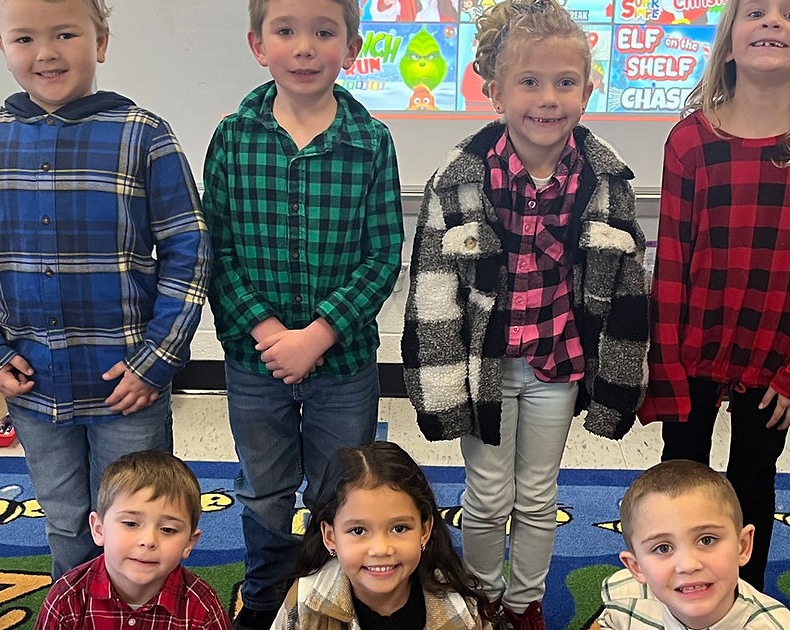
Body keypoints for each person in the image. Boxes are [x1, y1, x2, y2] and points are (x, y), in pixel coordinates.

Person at [0, 0, 210, 579]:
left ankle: (148, 615)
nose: (46, 52)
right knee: (64, 520)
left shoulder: (143, 136)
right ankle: (77, 610)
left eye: (65, 34)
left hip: (126, 386)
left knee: (143, 521)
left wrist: (156, 361)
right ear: (2, 46)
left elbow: (189, 249)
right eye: (24, 38)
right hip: (32, 386)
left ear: (100, 42)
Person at [400, 0, 650, 625]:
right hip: (485, 369)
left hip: (557, 365)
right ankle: (483, 596)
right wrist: (441, 387)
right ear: (494, 90)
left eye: (566, 82)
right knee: (486, 495)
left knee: (538, 496)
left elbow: (626, 289)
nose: (548, 98)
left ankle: (524, 603)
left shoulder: (606, 181)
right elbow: (433, 289)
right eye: (530, 82)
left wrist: (618, 381)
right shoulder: (459, 179)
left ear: (589, 91)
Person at [639, 0, 790, 591]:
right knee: (680, 479)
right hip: (693, 350)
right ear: (729, 43)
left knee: (753, 481)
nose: (772, 22)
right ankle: (670, 590)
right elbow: (673, 264)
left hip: (778, 357)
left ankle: (743, 598)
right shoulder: (690, 140)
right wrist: (668, 369)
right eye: (755, 11)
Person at [204, 1, 403, 627]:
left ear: (350, 45)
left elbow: (382, 254)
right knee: (262, 483)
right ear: (258, 45)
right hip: (254, 358)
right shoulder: (233, 138)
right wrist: (269, 333)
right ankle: (264, 596)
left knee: (341, 485)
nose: (305, 47)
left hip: (343, 360)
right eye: (285, 32)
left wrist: (316, 336)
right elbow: (216, 250)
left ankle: (329, 597)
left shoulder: (371, 142)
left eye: (324, 32)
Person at [272, 442, 494, 629]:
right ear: (330, 537)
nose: (380, 549)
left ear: (424, 531)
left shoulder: (462, 607)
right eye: (358, 531)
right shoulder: (305, 601)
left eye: (399, 528)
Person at [34, 451, 233, 629]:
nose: (148, 540)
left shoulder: (203, 609)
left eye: (168, 529)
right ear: (99, 529)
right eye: (130, 524)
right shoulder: (66, 599)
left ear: (189, 543)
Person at [599, 460, 790, 630]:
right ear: (636, 567)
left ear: (742, 546)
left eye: (707, 540)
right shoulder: (621, 596)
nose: (688, 565)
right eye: (663, 548)